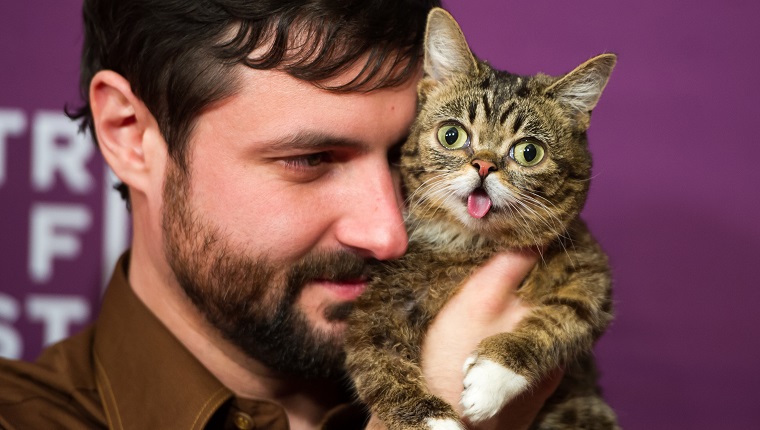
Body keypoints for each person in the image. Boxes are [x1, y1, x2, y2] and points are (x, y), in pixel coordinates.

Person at [0, 1, 561, 429]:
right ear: (131, 136)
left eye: (402, 153)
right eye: (309, 160)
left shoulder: (536, 396)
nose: (389, 233)